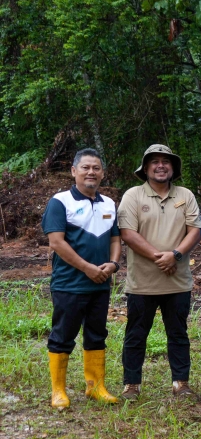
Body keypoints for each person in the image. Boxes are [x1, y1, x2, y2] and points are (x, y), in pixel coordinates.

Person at [118, 144, 201, 400]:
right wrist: (160, 257)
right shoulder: (132, 196)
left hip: (177, 281)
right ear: (145, 168)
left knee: (178, 333)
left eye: (166, 161)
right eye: (154, 161)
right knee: (135, 334)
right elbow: (128, 234)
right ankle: (131, 385)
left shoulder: (185, 195)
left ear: (173, 167)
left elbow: (195, 230)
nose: (161, 165)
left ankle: (181, 382)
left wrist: (174, 255)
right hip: (142, 282)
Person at [42, 147, 121, 409]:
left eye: (96, 168)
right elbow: (56, 242)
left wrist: (112, 263)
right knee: (63, 335)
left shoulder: (109, 203)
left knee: (97, 334)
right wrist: (87, 267)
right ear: (74, 171)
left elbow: (115, 238)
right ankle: (58, 391)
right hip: (69, 284)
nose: (91, 172)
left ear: (102, 173)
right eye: (85, 167)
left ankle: (96, 387)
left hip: (101, 284)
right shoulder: (60, 201)